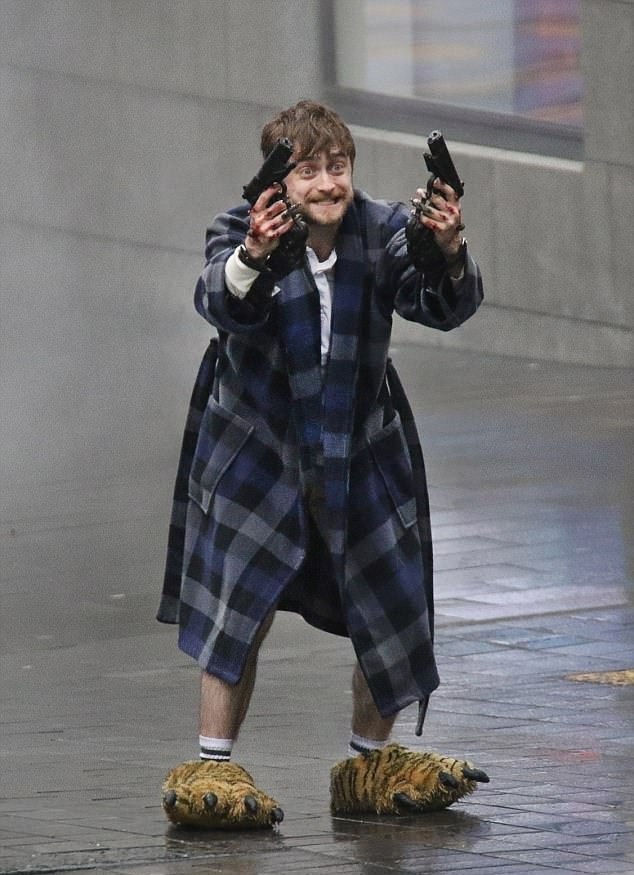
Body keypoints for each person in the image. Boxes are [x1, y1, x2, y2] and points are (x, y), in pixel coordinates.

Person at [157, 100, 487, 829]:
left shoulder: (384, 229)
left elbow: (442, 304)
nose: (327, 183)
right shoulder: (242, 229)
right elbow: (218, 299)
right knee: (236, 606)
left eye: (337, 166)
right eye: (307, 170)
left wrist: (446, 248)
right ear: (280, 180)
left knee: (392, 601)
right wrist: (253, 255)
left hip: (360, 444)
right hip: (258, 447)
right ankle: (213, 764)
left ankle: (369, 762)